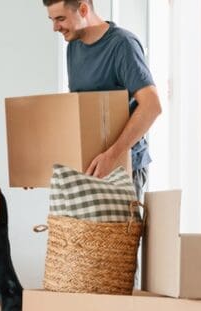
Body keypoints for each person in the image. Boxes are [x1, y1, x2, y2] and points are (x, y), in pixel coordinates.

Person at [44, 0, 161, 198]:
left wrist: (112, 156)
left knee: (119, 222)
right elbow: (80, 112)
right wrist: (41, 168)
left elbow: (152, 106)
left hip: (122, 167)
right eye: (52, 20)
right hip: (89, 168)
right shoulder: (73, 46)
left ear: (83, 9)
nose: (55, 27)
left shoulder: (122, 45)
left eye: (60, 19)